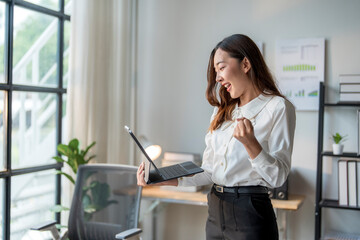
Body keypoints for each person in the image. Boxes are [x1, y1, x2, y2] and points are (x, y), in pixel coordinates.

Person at [137, 34, 296, 240]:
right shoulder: (222, 111)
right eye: (216, 71)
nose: (218, 78)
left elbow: (278, 177)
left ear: (245, 64)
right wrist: (162, 180)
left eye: (221, 68)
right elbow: (210, 171)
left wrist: (251, 145)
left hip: (249, 213)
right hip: (215, 209)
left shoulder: (278, 108)